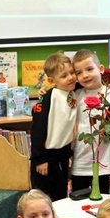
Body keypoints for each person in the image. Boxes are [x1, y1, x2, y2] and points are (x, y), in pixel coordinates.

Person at [68, 49, 110, 218]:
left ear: (101, 69)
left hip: (105, 162)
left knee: (106, 208)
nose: (85, 75)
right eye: (79, 72)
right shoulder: (75, 96)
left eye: (89, 69)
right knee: (77, 208)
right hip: (80, 163)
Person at [29, 52, 77, 201]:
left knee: (60, 199)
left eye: (72, 73)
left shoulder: (72, 92)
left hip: (61, 157)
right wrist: (40, 159)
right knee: (43, 201)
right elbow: (37, 129)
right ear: (51, 81)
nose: (70, 77)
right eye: (64, 76)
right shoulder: (50, 97)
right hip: (45, 158)